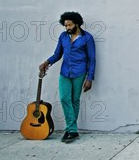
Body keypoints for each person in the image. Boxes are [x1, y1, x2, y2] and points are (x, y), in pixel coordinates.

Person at [39, 12, 96, 143]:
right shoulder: (63, 36)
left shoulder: (87, 38)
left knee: (75, 100)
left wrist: (89, 78)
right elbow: (57, 54)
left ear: (77, 23)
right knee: (65, 98)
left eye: (69, 25)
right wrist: (47, 62)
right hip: (65, 72)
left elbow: (92, 59)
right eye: (65, 25)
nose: (67, 28)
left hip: (79, 72)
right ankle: (72, 130)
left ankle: (71, 130)